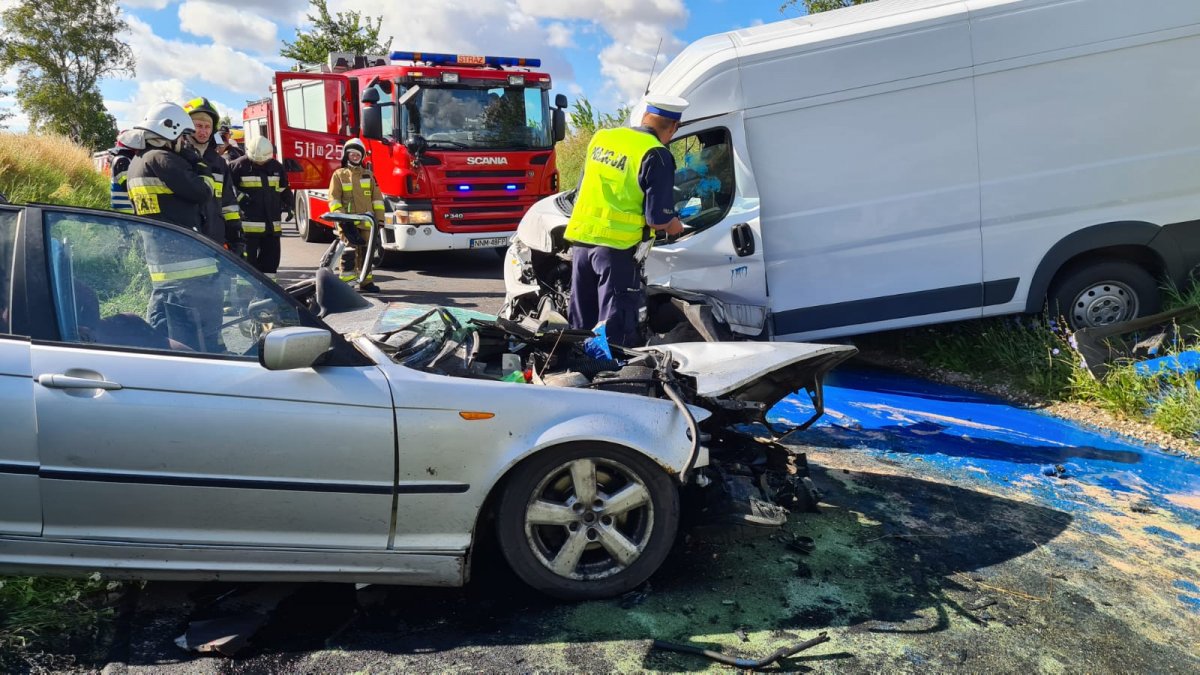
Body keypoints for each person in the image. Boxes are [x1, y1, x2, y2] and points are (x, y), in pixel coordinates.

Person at [564, 95, 688, 347]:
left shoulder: (603, 138)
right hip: (616, 250)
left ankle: (576, 373)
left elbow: (581, 190)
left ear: (644, 117)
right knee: (614, 328)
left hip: (581, 242)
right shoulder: (657, 154)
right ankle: (612, 381)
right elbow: (657, 219)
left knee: (581, 320)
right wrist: (674, 225)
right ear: (673, 128)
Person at [125, 102, 225, 351]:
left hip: (161, 263)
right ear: (170, 132)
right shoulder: (163, 159)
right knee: (199, 335)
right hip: (189, 266)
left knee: (162, 330)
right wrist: (200, 165)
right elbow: (203, 192)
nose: (185, 142)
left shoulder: (137, 162)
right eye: (183, 136)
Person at [181, 97, 243, 255]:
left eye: (207, 127)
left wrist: (236, 238)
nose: (203, 131)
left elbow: (229, 204)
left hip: (216, 243)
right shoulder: (176, 159)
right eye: (199, 126)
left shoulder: (218, 163)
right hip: (185, 242)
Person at [228, 136, 291, 280]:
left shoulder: (276, 167)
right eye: (257, 160)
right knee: (247, 267)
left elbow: (284, 189)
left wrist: (289, 205)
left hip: (271, 229)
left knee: (270, 266)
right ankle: (245, 297)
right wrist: (240, 197)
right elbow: (228, 191)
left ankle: (268, 297)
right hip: (247, 229)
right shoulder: (237, 166)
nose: (260, 162)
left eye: (263, 160)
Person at [327, 137, 384, 292]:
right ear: (346, 155)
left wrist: (379, 220)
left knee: (367, 252)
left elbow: (377, 199)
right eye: (352, 154)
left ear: (362, 157)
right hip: (347, 222)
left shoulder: (369, 175)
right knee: (349, 251)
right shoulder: (339, 175)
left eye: (358, 155)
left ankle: (366, 282)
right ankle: (347, 284)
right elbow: (334, 199)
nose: (355, 157)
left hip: (366, 223)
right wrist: (341, 218)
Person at [107, 129, 144, 214]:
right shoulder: (121, 160)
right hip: (124, 210)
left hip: (126, 209)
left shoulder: (125, 159)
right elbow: (126, 184)